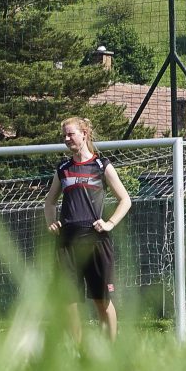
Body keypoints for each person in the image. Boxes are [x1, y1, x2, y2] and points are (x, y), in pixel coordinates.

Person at [44, 115, 133, 338]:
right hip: (67, 243)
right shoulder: (63, 169)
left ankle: (110, 352)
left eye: (70, 134)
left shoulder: (101, 165)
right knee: (69, 302)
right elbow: (49, 201)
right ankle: (78, 352)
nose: (66, 138)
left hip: (96, 240)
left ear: (84, 134)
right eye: (64, 135)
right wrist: (50, 222)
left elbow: (125, 199)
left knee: (101, 300)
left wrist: (110, 223)